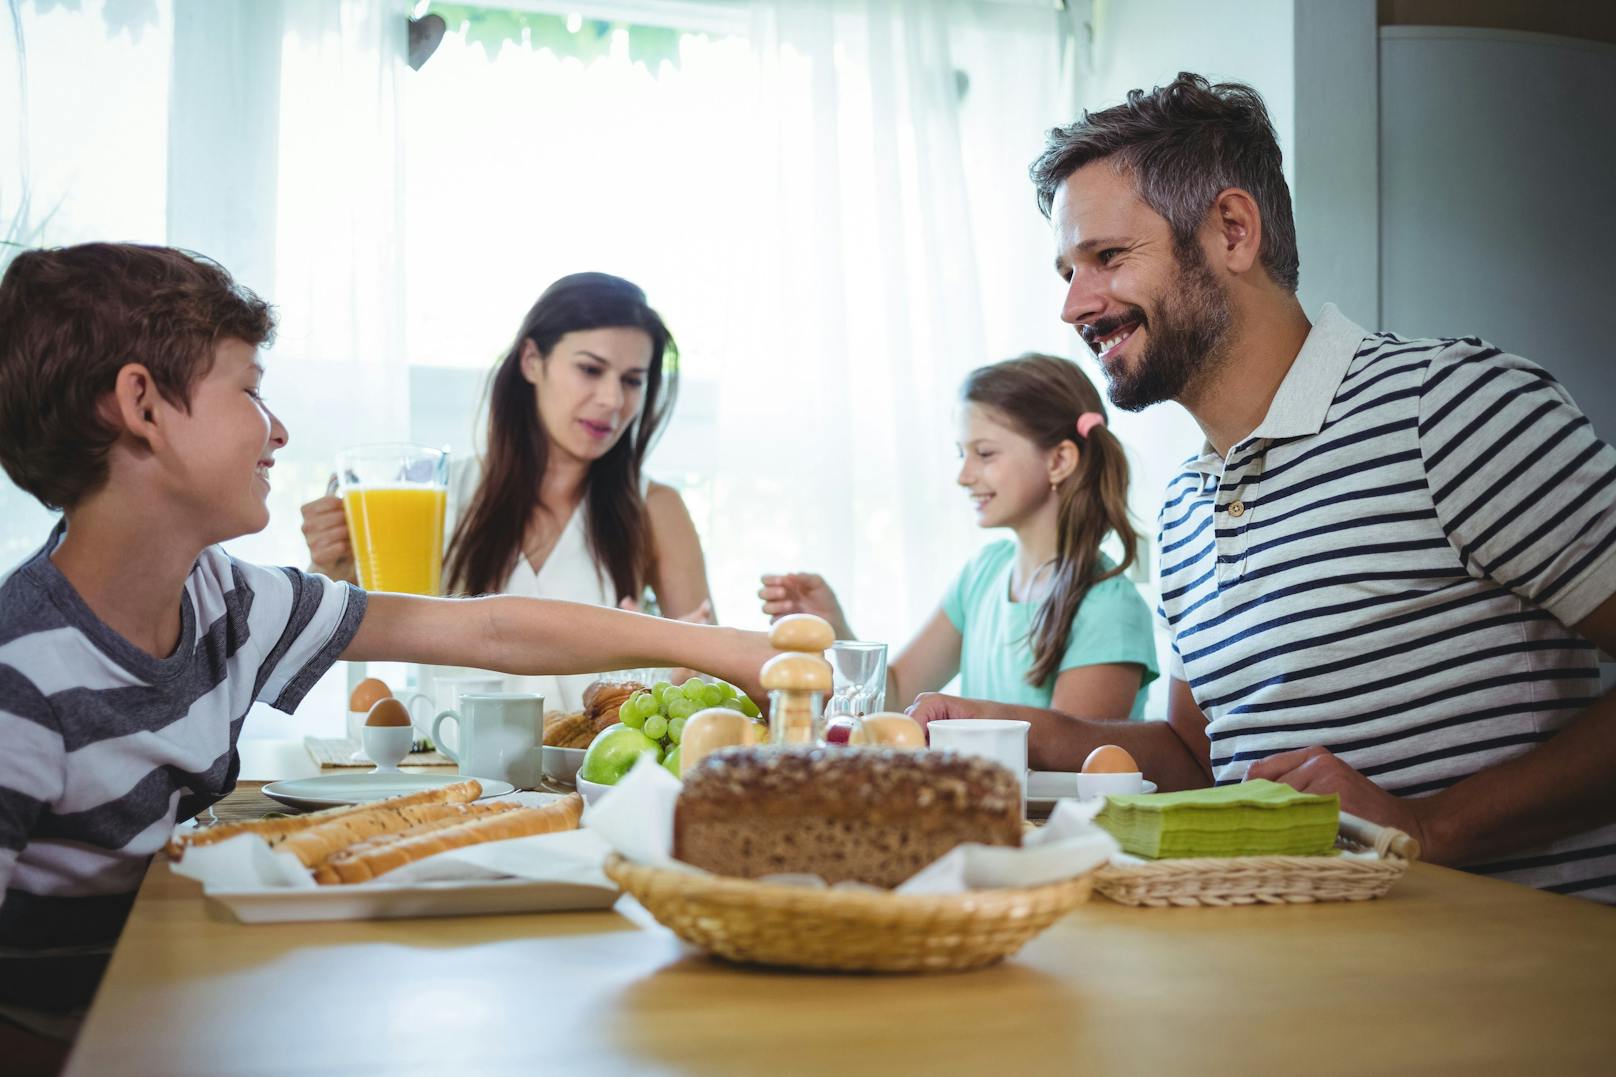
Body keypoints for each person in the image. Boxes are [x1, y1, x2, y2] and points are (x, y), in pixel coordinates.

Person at [0, 243, 774, 1055]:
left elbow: (488, 627)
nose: (280, 427)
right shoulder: (23, 674)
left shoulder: (227, 598)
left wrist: (725, 647)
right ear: (143, 404)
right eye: (252, 390)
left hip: (164, 1012)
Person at [909, 73, 1616, 902]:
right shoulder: (1180, 511)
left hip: (1515, 986)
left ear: (1233, 232)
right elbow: (1197, 759)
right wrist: (1032, 731)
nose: (1074, 304)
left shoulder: (1450, 407)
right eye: (1067, 269)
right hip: (1303, 979)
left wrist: (1429, 828)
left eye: (1106, 257)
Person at [299, 272, 714, 711]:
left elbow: (712, 683)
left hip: (584, 772)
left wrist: (673, 658)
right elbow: (323, 641)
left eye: (633, 380)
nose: (613, 399)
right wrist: (330, 567)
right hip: (447, 767)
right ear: (532, 360)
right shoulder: (433, 496)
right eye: (590, 369)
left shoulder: (655, 508)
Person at [761, 353, 1158, 722]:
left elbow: (1073, 756)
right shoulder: (983, 573)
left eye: (984, 454)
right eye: (961, 454)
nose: (963, 476)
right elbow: (896, 694)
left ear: (1059, 460)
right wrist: (835, 628)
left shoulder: (1109, 607)